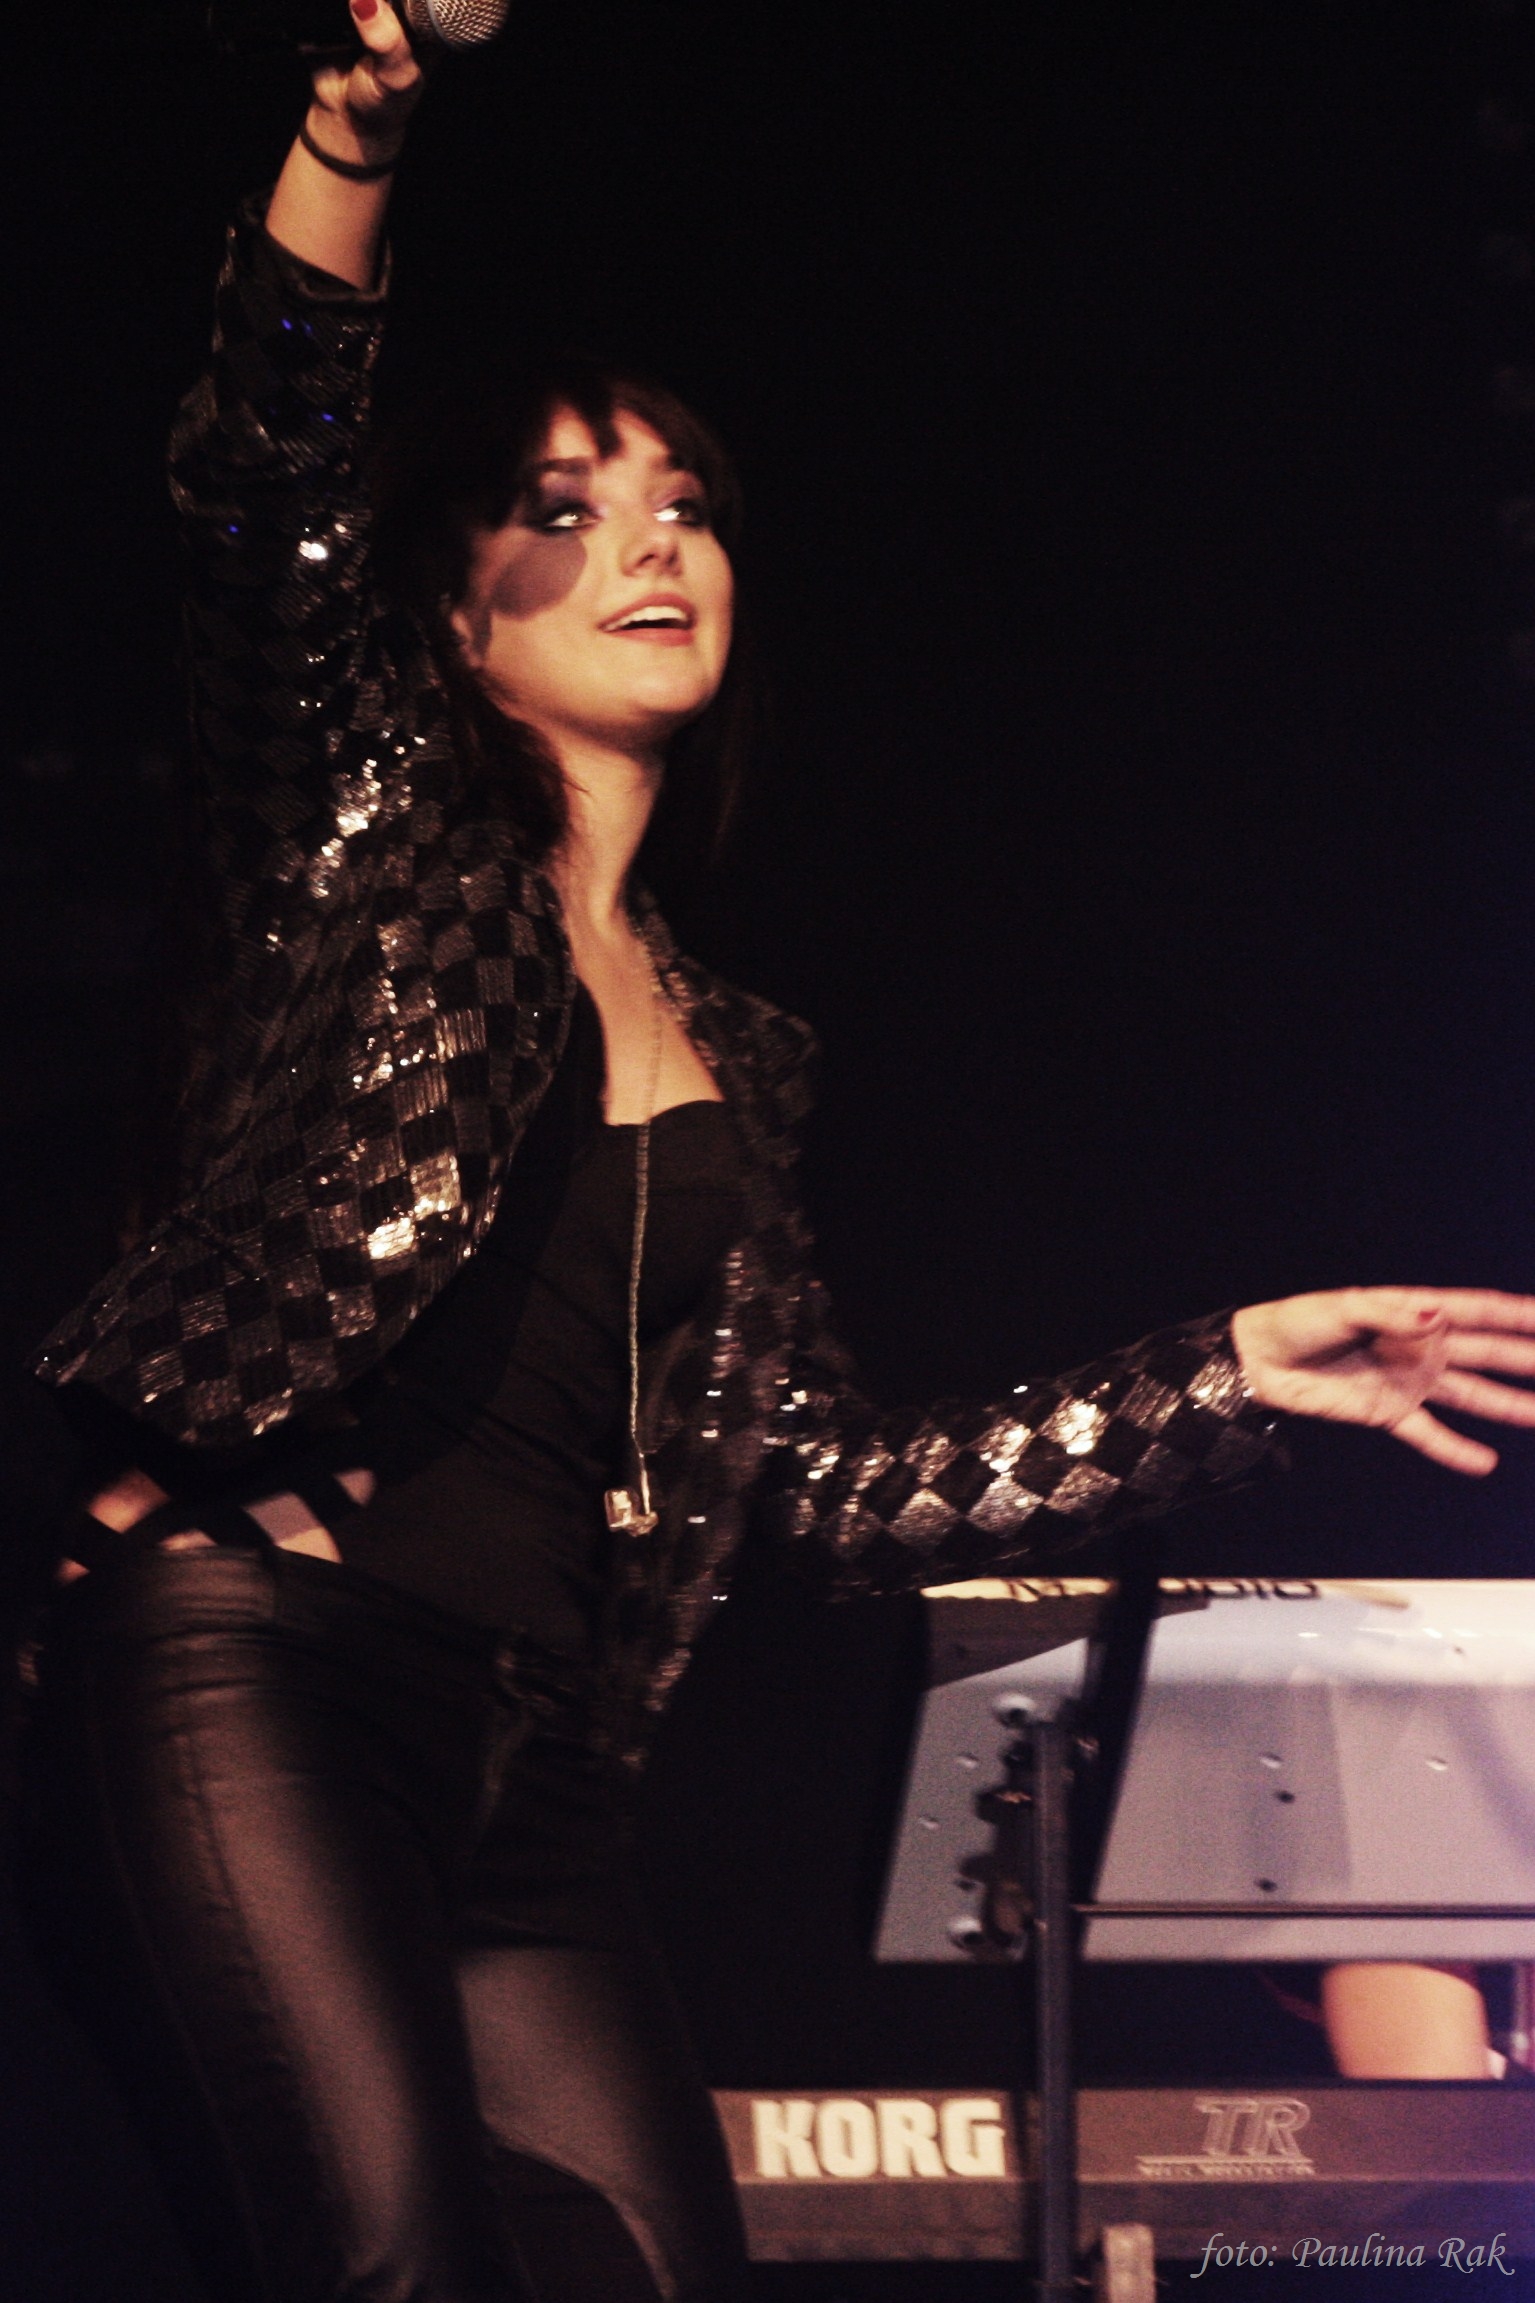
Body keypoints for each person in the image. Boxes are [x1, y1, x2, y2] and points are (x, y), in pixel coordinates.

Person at [19, 8, 1535, 2300]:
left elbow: (826, 1486)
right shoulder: (358, 849)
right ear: (448, 609)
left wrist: (1224, 1371)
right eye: (562, 510)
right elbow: (257, 486)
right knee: (391, 2259)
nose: (649, 542)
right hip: (262, 1667)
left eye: (684, 506)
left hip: (533, 1768)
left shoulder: (742, 1048)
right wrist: (353, 126)